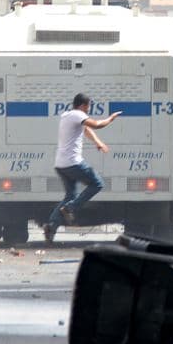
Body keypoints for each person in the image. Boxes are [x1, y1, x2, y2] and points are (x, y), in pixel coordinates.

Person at [43, 93, 122, 243]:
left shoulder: (67, 116)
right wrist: (111, 118)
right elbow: (96, 125)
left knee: (70, 196)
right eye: (88, 107)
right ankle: (70, 208)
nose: (88, 110)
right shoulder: (78, 114)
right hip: (73, 163)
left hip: (61, 165)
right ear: (83, 105)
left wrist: (98, 142)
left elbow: (86, 130)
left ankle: (51, 226)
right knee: (97, 183)